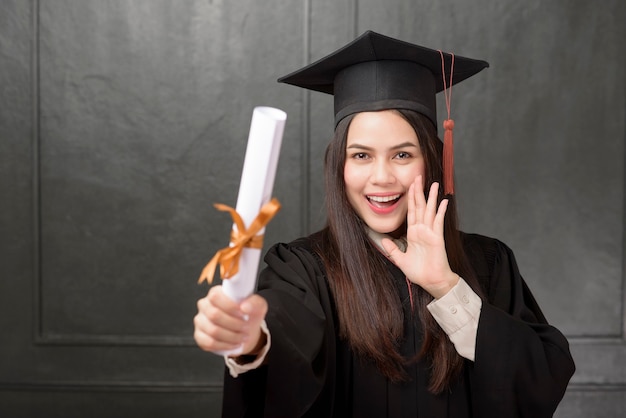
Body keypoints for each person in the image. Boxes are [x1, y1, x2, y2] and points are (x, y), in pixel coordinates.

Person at [193, 31, 575, 417]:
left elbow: (540, 381)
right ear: (338, 167)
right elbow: (283, 331)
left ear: (432, 160)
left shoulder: (488, 262)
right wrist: (252, 339)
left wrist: (445, 286)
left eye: (402, 155)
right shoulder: (304, 268)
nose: (381, 177)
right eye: (361, 155)